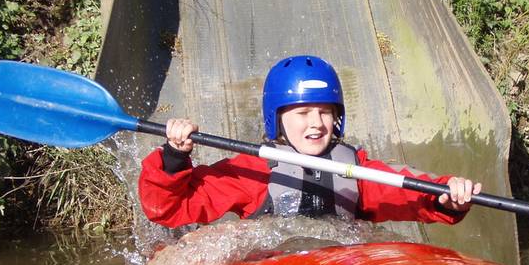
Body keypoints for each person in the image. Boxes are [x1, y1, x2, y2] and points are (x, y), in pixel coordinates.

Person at [139, 55, 480, 227]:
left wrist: (445, 197)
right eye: (302, 113)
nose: (316, 123)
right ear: (278, 119)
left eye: (325, 112)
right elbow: (169, 210)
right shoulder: (251, 171)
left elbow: (407, 191)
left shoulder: (355, 168)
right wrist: (173, 158)